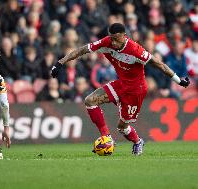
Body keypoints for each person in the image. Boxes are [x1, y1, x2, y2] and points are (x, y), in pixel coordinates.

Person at [51, 23, 190, 155]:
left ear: (124, 35)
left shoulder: (136, 50)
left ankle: (137, 141)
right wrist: (59, 63)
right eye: (111, 38)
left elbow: (160, 65)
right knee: (90, 100)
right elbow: (81, 50)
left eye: (116, 39)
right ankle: (107, 137)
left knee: (122, 127)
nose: (113, 43)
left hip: (136, 90)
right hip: (121, 84)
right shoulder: (106, 42)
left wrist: (179, 80)